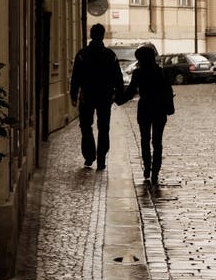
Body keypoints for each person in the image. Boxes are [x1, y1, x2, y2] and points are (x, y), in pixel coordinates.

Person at [70, 23, 123, 171]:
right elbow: (117, 77)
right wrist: (118, 94)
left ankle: (89, 155)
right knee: (104, 127)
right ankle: (101, 159)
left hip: (87, 96)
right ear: (103, 35)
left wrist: (74, 95)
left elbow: (76, 77)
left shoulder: (82, 54)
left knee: (86, 126)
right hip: (105, 96)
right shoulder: (110, 55)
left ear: (91, 35)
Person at [119, 45, 174, 186]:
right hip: (159, 109)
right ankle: (155, 170)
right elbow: (168, 90)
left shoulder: (138, 73)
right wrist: (169, 107)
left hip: (145, 108)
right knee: (157, 141)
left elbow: (131, 92)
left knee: (144, 139)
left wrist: (118, 100)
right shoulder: (161, 72)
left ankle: (147, 168)